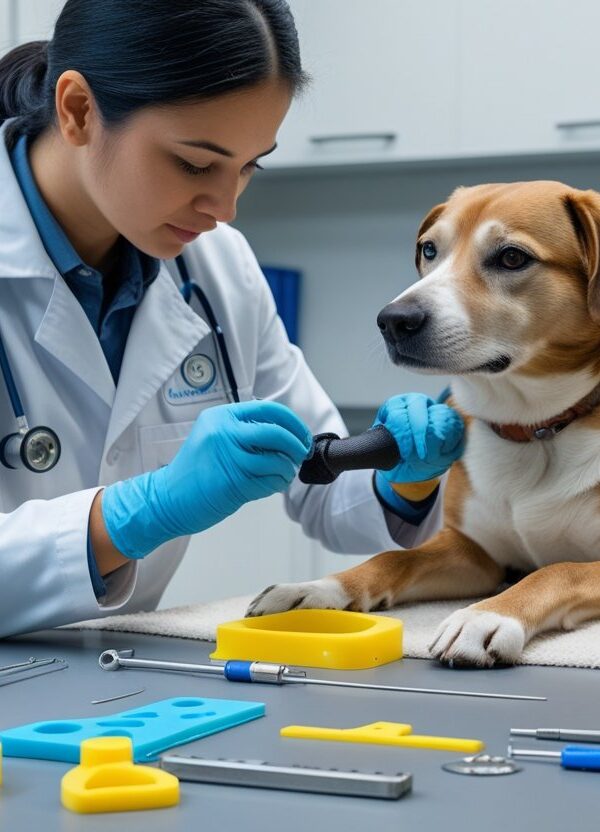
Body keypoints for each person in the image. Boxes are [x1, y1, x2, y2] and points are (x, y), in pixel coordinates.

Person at [0, 0, 464, 638]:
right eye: (195, 163)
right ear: (79, 110)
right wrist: (137, 514)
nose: (225, 208)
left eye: (250, 165)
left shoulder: (215, 267)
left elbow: (323, 483)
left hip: (111, 678)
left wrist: (401, 479)